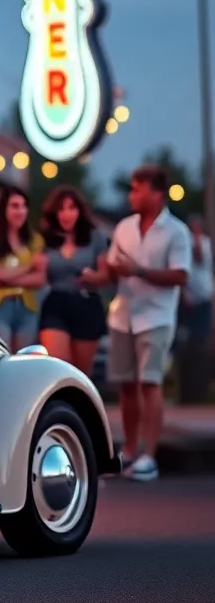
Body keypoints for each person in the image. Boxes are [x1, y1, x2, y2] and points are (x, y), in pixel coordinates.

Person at [91, 165, 190, 482]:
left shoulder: (176, 231)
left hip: (157, 316)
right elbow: (111, 272)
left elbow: (180, 275)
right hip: (123, 314)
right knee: (126, 385)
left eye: (137, 189)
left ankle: (151, 455)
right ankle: (131, 450)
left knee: (150, 382)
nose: (131, 195)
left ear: (156, 193)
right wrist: (105, 271)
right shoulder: (124, 227)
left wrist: (140, 271)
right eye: (131, 189)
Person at [37, 185, 109, 375]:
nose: (66, 214)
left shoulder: (95, 237)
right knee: (58, 368)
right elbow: (38, 273)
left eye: (71, 208)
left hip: (86, 303)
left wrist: (92, 277)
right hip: (56, 302)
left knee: (80, 374)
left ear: (80, 211)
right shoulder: (45, 239)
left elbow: (106, 274)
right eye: (61, 209)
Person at [0, 187, 45, 350]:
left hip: (26, 307)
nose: (20, 211)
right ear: (3, 209)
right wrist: (28, 267)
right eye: (14, 206)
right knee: (0, 355)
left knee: (24, 359)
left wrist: (4, 276)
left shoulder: (35, 240)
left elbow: (39, 279)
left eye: (23, 206)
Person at [182, 214, 213, 346]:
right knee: (189, 332)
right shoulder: (186, 241)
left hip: (204, 293)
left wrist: (196, 238)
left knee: (202, 332)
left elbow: (199, 258)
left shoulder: (205, 242)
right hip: (189, 295)